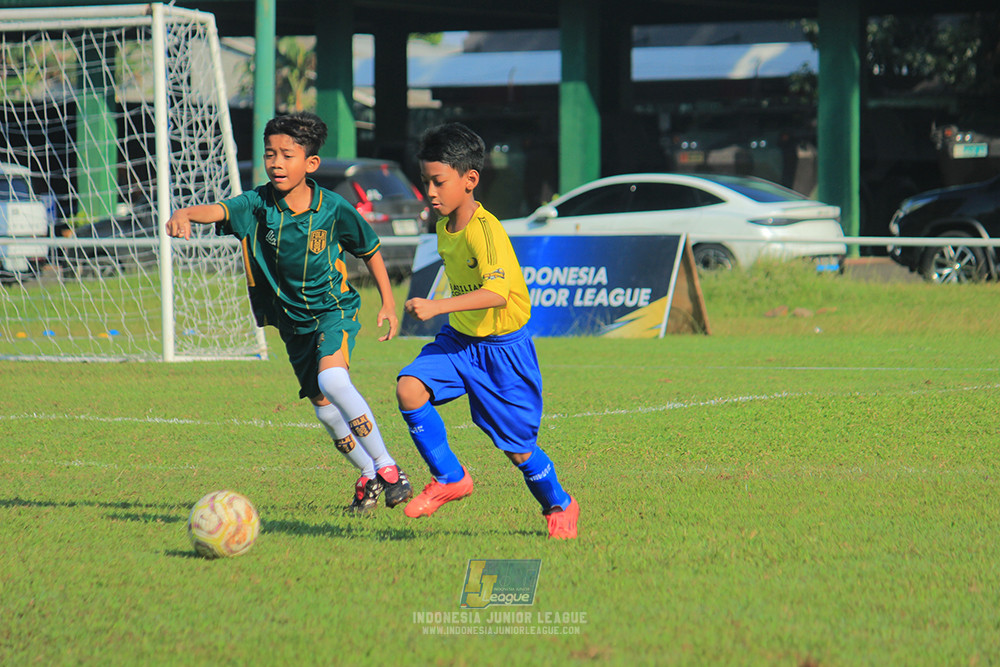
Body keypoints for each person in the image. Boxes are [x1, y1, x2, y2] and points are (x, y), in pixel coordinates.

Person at [165, 111, 411, 515]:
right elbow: (220, 210)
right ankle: (368, 474)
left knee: (333, 378)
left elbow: (369, 249)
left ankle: (389, 469)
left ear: (310, 163)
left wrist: (387, 301)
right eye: (269, 154)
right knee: (325, 409)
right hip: (292, 324)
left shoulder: (332, 208)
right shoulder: (258, 204)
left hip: (333, 311)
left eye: (287, 154)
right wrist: (186, 213)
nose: (276, 162)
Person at [396, 122, 579, 539]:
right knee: (409, 387)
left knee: (518, 449)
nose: (431, 192)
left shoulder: (486, 229)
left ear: (470, 179)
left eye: (439, 182)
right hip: (460, 340)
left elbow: (496, 292)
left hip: (502, 351)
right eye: (426, 182)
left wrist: (437, 305)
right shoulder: (443, 227)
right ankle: (450, 478)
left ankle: (560, 504)